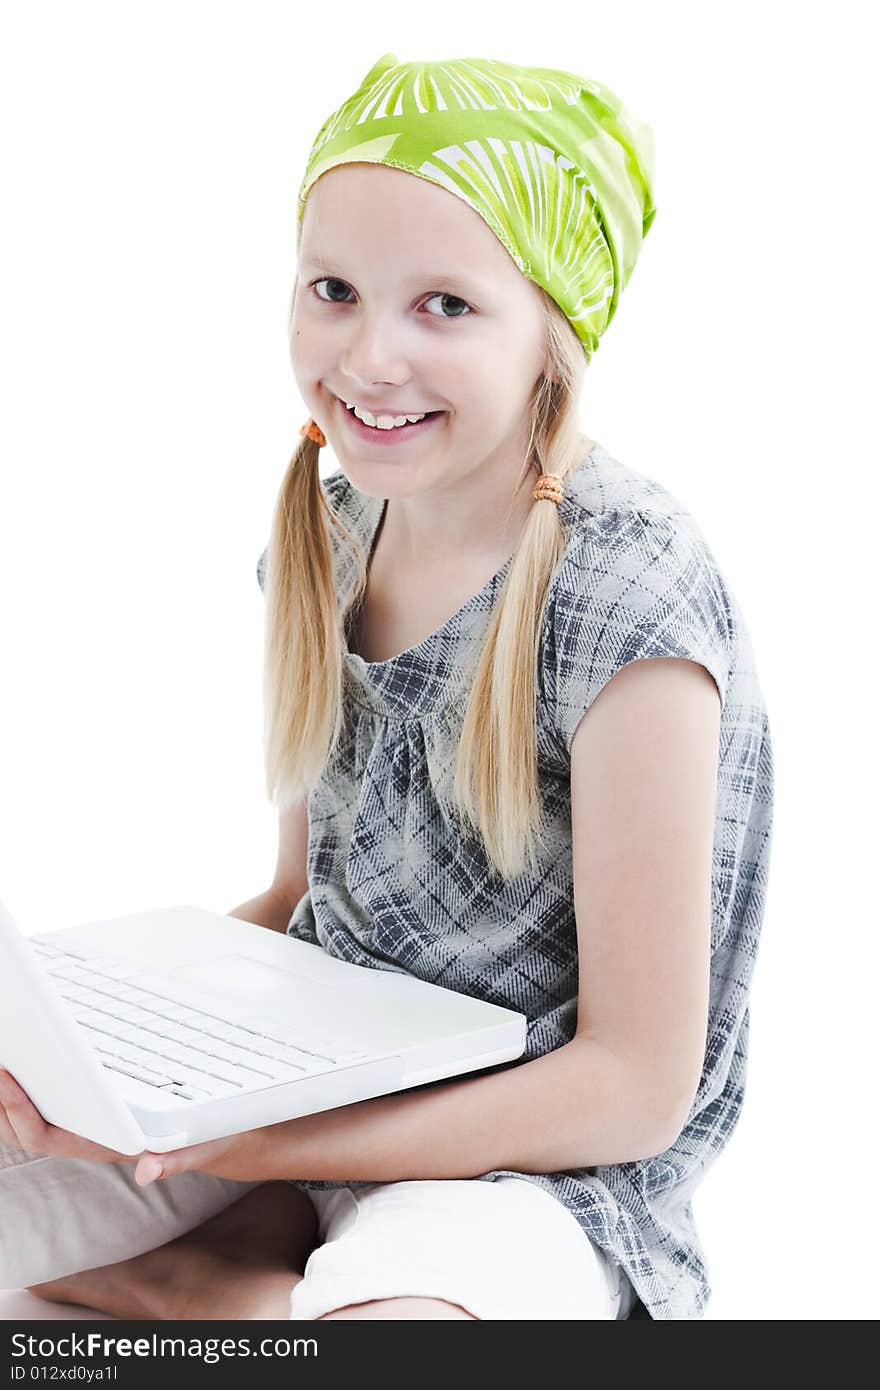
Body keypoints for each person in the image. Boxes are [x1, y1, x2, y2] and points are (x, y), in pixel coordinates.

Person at [0, 52, 773, 1321]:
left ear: (552, 334)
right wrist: (81, 1034)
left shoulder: (630, 602)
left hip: (532, 1166)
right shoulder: (334, 533)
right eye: (334, 290)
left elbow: (633, 1083)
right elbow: (306, 906)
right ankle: (239, 1259)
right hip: (314, 1103)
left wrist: (257, 1151)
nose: (369, 356)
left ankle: (237, 1276)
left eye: (445, 307)